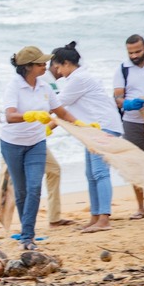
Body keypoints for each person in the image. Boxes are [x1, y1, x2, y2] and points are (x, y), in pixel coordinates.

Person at [0, 59, 74, 237]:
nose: (62, 71)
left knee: (52, 171)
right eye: (42, 63)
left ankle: (54, 218)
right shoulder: (39, 81)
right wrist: (42, 123)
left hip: (35, 139)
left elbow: (56, 112)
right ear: (59, 65)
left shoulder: (46, 83)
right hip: (14, 140)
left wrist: (77, 125)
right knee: (5, 179)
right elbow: (44, 114)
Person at [0, 46, 79, 251]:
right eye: (40, 63)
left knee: (35, 188)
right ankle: (25, 235)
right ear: (27, 67)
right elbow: (9, 115)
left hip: (36, 142)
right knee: (22, 191)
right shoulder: (14, 86)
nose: (46, 66)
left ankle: (27, 237)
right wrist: (31, 115)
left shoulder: (45, 87)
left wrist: (84, 126)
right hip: (12, 144)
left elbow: (60, 111)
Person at [52, 41, 123, 232]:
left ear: (67, 63)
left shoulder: (78, 79)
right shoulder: (77, 78)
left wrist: (43, 124)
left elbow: (57, 105)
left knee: (100, 173)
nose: (57, 71)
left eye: (58, 67)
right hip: (92, 129)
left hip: (103, 127)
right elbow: (63, 109)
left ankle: (104, 219)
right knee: (91, 174)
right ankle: (95, 217)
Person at [112, 34, 144, 219]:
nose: (134, 55)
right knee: (135, 165)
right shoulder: (123, 70)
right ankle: (140, 208)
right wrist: (127, 103)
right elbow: (117, 98)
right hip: (132, 123)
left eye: (138, 51)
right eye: (131, 52)